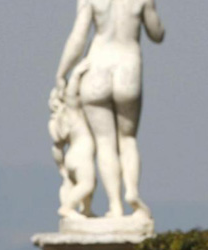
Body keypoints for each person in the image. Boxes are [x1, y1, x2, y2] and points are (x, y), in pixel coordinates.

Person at [55, 0, 164, 218]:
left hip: (97, 67)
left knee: (105, 143)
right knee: (127, 139)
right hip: (128, 66)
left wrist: (62, 73)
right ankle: (132, 191)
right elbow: (157, 33)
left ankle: (115, 206)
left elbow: (78, 37)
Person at [49, 60, 96, 219]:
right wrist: (77, 74)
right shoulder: (74, 114)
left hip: (73, 157)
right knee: (87, 184)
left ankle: (86, 210)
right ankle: (67, 208)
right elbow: (71, 96)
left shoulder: (68, 119)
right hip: (80, 156)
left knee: (88, 183)